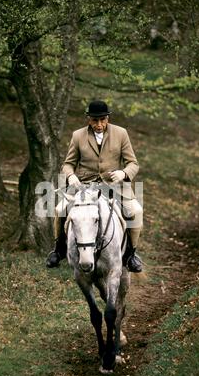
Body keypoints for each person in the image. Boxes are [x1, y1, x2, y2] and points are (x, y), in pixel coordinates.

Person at [46, 100, 143, 272]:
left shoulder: (121, 134)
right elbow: (67, 164)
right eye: (95, 120)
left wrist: (123, 173)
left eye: (103, 120)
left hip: (114, 186)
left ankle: (131, 254)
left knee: (135, 211)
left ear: (108, 118)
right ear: (88, 119)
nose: (99, 124)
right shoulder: (78, 136)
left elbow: (133, 163)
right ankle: (58, 249)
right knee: (60, 209)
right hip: (84, 187)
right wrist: (71, 176)